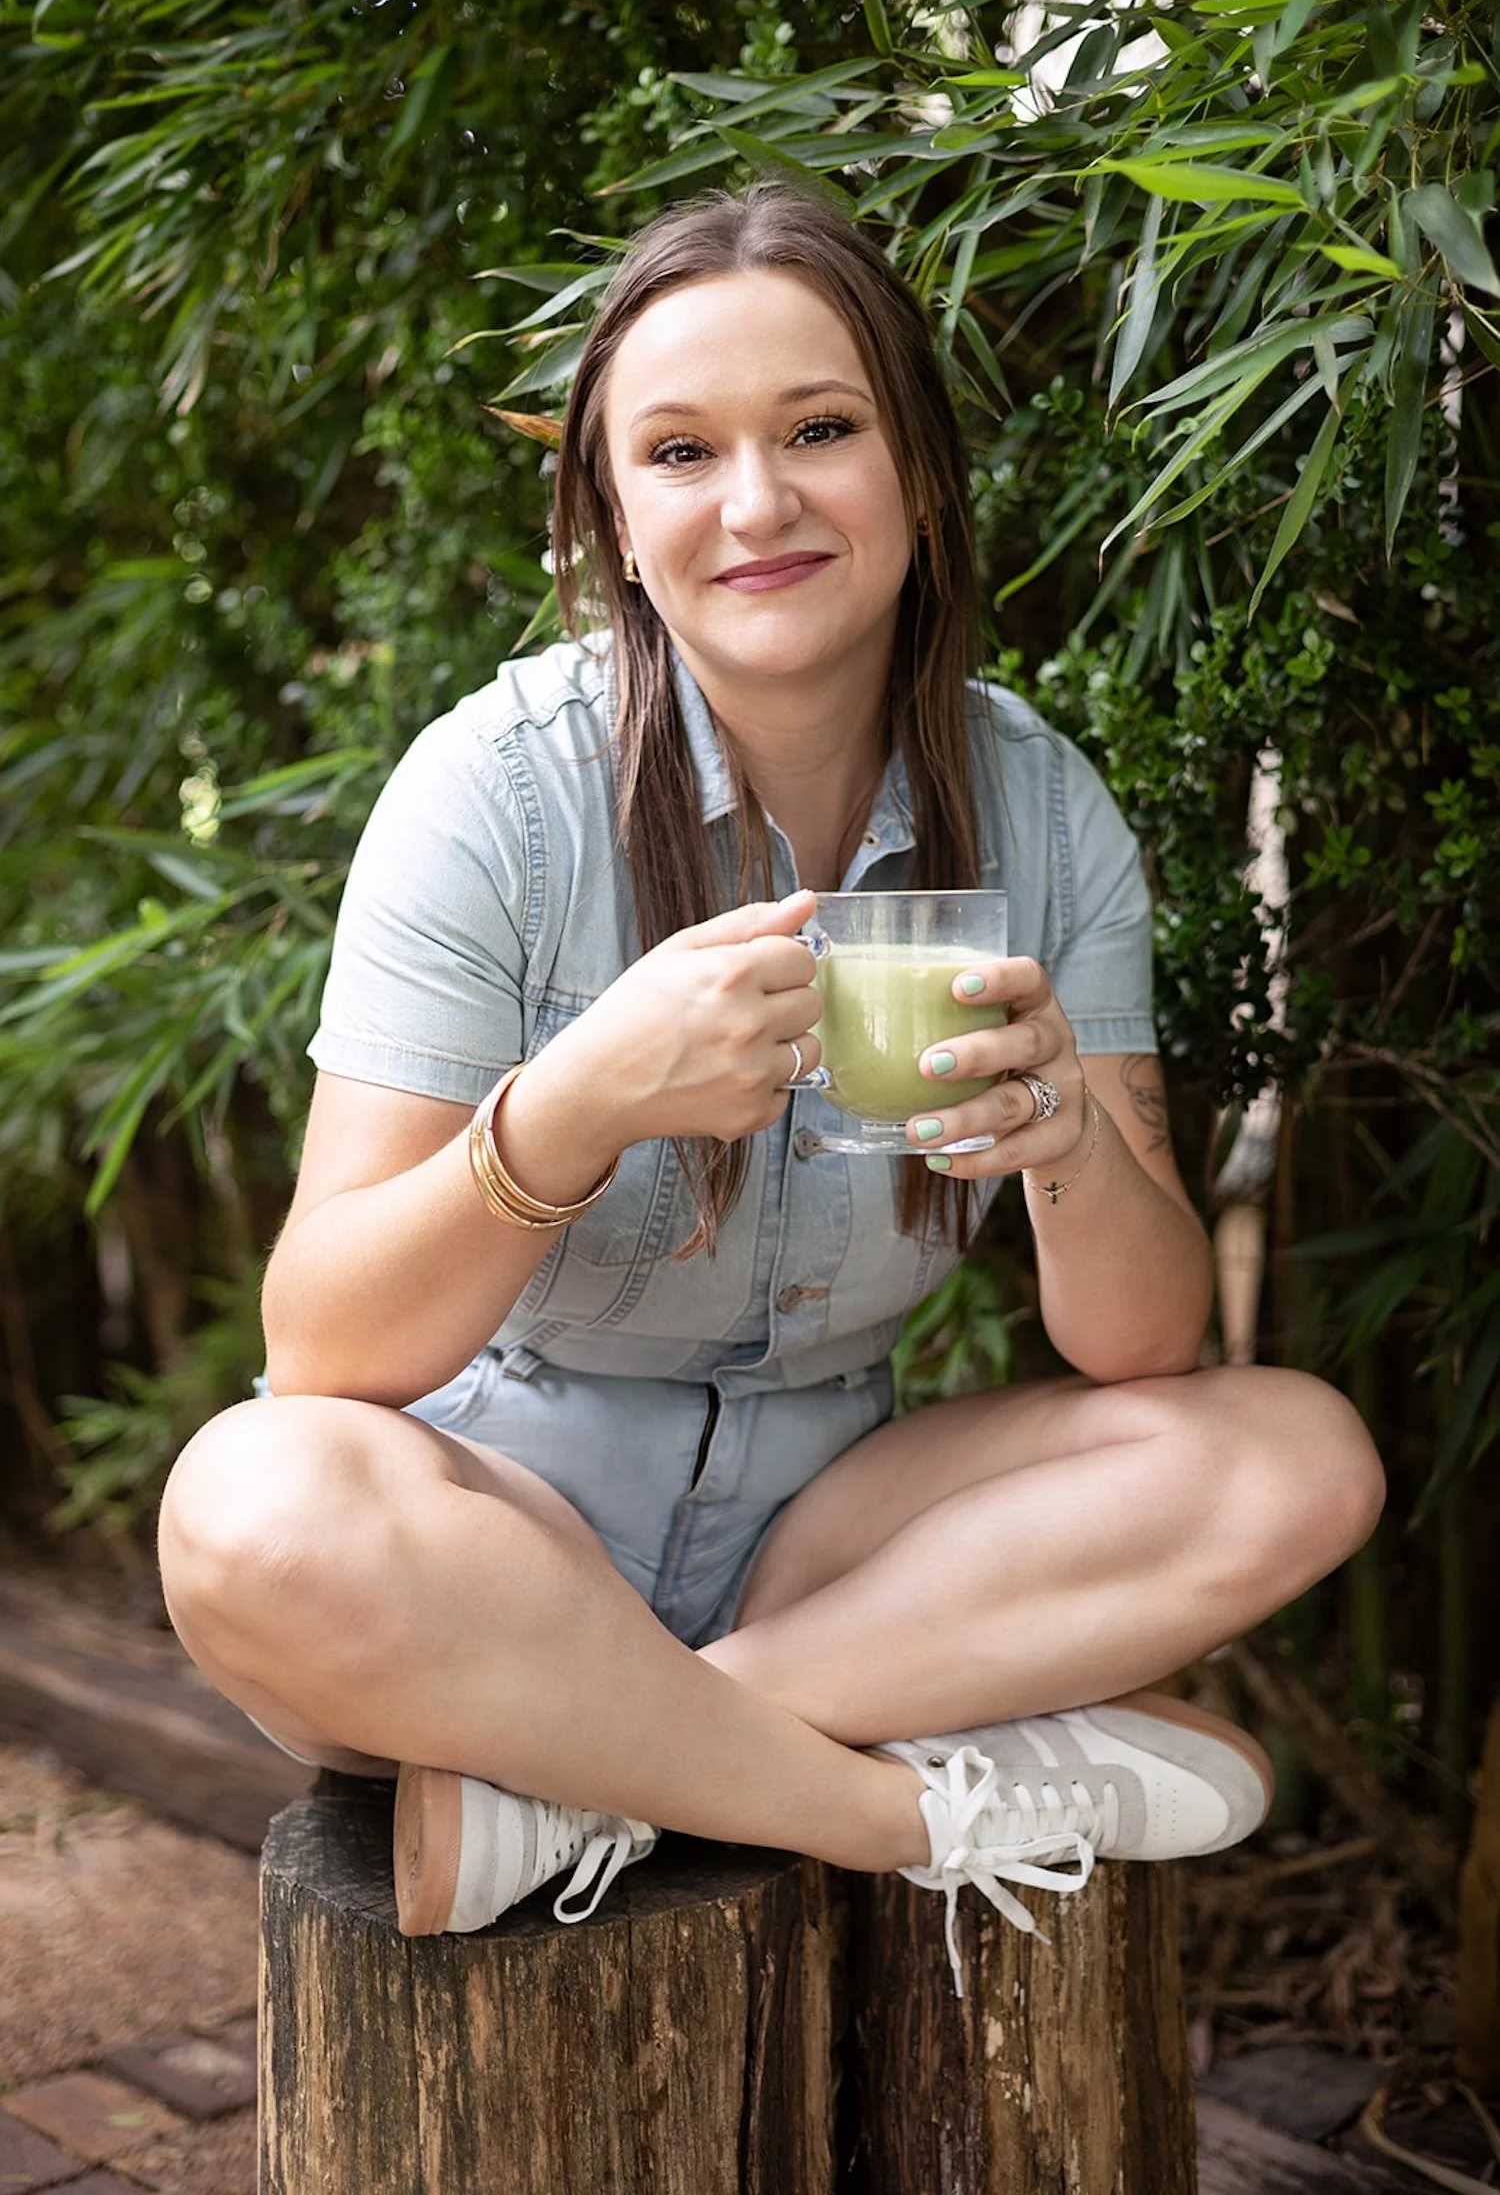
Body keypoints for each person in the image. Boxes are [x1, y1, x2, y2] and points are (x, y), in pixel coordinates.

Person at [157, 182, 1384, 1997]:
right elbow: (326, 1349)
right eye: (680, 452)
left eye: (820, 429)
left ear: (921, 473)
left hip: (832, 1554)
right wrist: (571, 1105)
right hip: (489, 1545)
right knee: (253, 1508)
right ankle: (892, 1812)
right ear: (614, 522)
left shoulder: (1041, 809)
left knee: (1294, 1455)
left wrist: (1062, 1145)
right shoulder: (492, 796)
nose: (757, 502)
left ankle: (585, 1784)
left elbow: (1144, 1349)